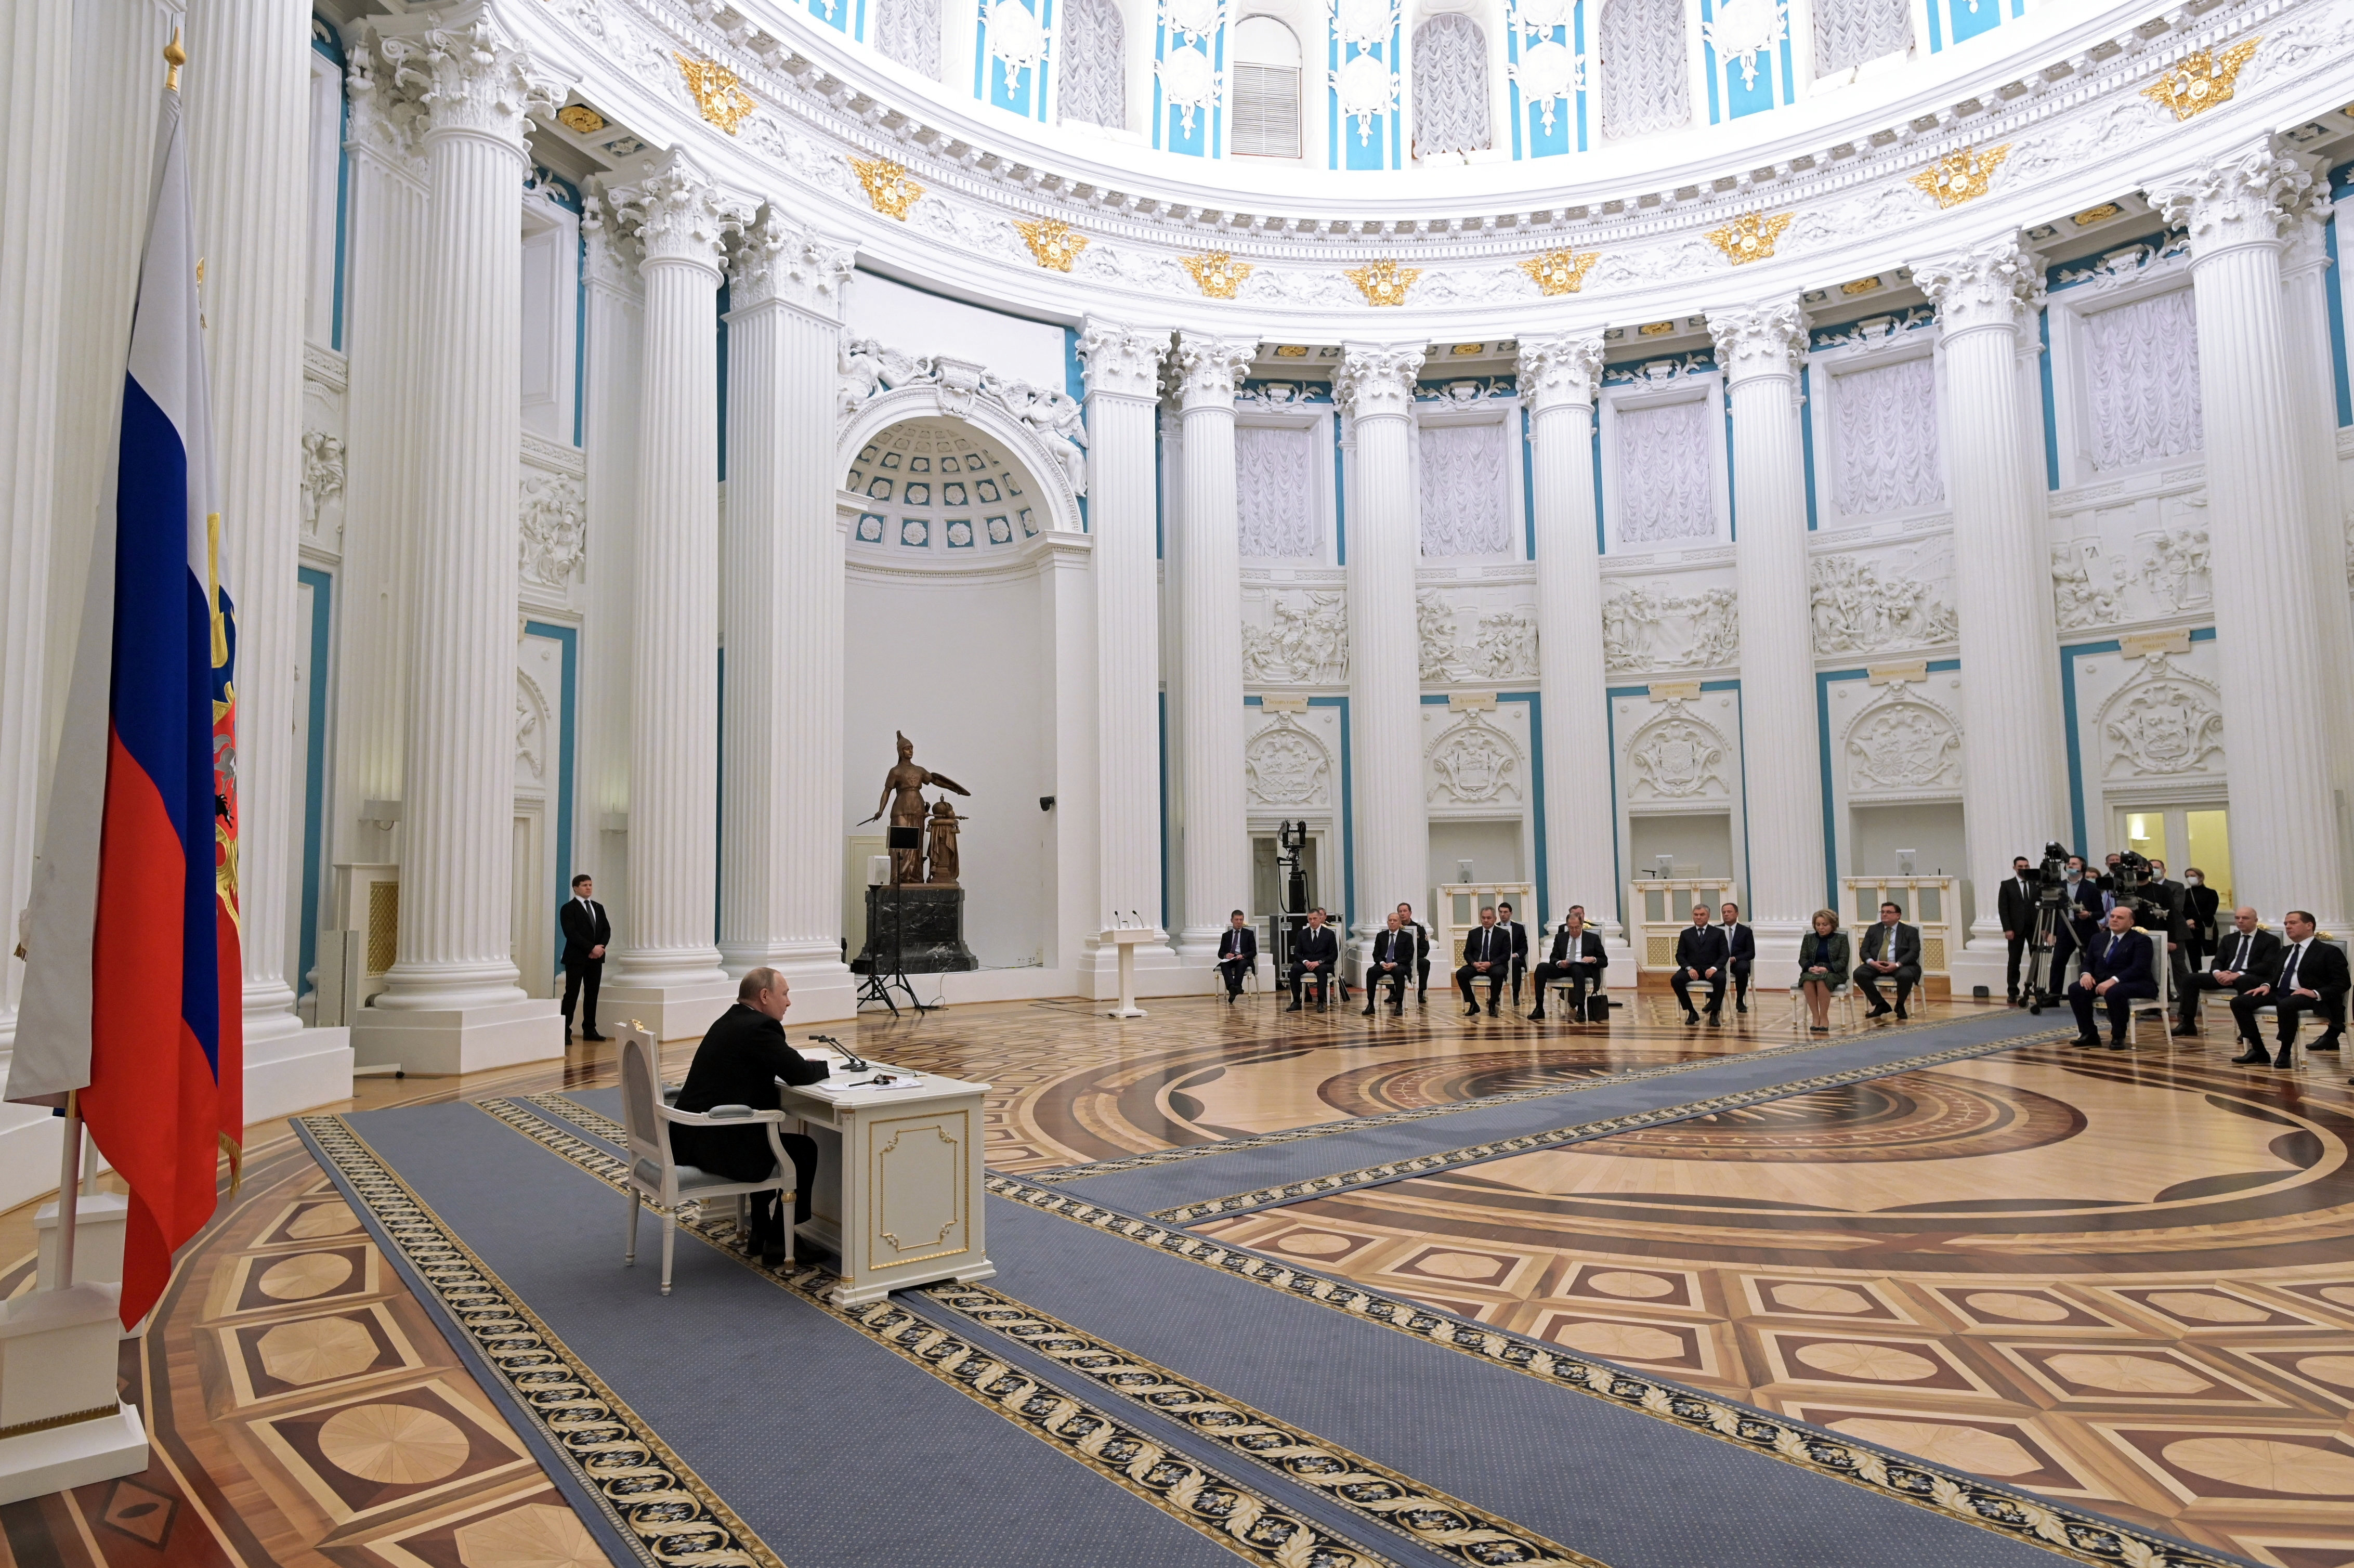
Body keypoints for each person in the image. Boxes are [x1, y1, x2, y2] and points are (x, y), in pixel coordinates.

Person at [669, 969, 829, 1265]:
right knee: (802, 1151)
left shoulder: (730, 1020)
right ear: (765, 996)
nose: (789, 1002)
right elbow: (799, 1073)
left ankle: (761, 1228)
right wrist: (824, 1066)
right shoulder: (761, 1027)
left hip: (690, 1136)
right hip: (716, 1143)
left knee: (765, 1136)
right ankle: (781, 1239)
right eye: (785, 994)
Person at [2239, 909, 2348, 1068]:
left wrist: (2314, 992)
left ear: (2309, 925)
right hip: (2282, 992)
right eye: (2286, 924)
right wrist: (2266, 985)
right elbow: (2274, 975)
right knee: (2240, 1002)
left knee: (2287, 1004)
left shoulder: (2329, 951)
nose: (2288, 927)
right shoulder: (2286, 950)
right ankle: (2258, 1050)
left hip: (2311, 997)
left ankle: (2285, 1052)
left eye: (2293, 923)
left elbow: (2343, 982)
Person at [2192, 906, 2280, 1052]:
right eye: (2237, 918)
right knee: (2191, 978)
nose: (2240, 921)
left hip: (2250, 976)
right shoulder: (2229, 939)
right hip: (2225, 975)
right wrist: (2217, 973)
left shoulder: (2270, 940)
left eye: (2245, 918)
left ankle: (2245, 1030)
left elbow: (2267, 966)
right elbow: (2218, 960)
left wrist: (2239, 973)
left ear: (2255, 921)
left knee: (2244, 981)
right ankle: (2188, 1023)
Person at [2068, 904, 2156, 1051]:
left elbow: (2139, 968)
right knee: (2077, 989)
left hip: (2135, 982)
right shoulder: (2098, 938)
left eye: (2120, 918)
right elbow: (2088, 961)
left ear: (2131, 923)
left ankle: (2118, 1036)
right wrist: (2086, 974)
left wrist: (2113, 980)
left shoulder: (2141, 941)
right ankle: (2089, 1034)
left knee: (2114, 992)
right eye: (2113, 916)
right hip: (2103, 980)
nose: (2114, 920)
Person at [1529, 907, 1606, 1021]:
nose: (1574, 930)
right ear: (1567, 926)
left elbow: (1604, 960)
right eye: (1571, 928)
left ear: (1582, 924)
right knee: (1541, 968)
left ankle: (1581, 1010)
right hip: (1564, 968)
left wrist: (1593, 959)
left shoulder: (1593, 938)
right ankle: (1539, 1008)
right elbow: (1553, 958)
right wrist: (1560, 963)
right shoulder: (1560, 938)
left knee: (1576, 968)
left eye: (1577, 927)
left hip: (1583, 968)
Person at [559, 874, 610, 1041]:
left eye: (590, 885)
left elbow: (606, 930)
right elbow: (571, 933)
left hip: (596, 959)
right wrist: (590, 948)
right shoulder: (569, 908)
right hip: (576, 958)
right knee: (572, 994)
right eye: (584, 885)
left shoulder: (598, 907)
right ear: (575, 888)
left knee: (592, 994)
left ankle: (590, 1030)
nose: (588, 888)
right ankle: (565, 1031)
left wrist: (600, 948)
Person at [1853, 901, 1923, 1019]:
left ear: (1898, 916)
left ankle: (1900, 1005)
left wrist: (1896, 965)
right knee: (1859, 973)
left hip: (1901, 965)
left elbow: (1914, 952)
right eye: (1883, 912)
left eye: (1889, 912)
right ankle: (1881, 1004)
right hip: (1877, 964)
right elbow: (1864, 950)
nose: (1884, 915)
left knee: (1905, 976)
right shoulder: (1873, 929)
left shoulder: (1910, 931)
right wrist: (1872, 962)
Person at [1670, 905, 1728, 1026]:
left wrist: (1714, 968)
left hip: (1712, 969)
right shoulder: (1686, 934)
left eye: (1702, 915)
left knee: (1721, 979)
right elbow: (1680, 955)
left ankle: (1714, 1013)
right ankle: (1692, 1012)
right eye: (1696, 915)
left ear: (1708, 916)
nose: (1698, 917)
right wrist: (1689, 968)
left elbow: (1724, 955)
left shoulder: (1719, 933)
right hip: (1692, 969)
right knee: (1676, 980)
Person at [1797, 910, 1849, 1033]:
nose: (1821, 928)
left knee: (1822, 979)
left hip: (1834, 972)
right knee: (1808, 979)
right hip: (1813, 971)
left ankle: (1824, 1017)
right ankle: (1816, 1017)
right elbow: (1802, 959)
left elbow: (1843, 961)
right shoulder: (1808, 938)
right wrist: (1810, 967)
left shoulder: (1841, 939)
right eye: (1818, 925)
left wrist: (1827, 968)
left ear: (1832, 925)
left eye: (1825, 925)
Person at [1457, 906, 1513, 1017]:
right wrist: (1474, 963)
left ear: (1495, 919)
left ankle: (1492, 1003)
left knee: (1498, 974)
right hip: (1477, 965)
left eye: (1489, 918)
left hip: (1495, 965)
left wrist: (1490, 964)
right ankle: (1473, 1004)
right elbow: (1467, 953)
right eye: (1483, 918)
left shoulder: (1503, 934)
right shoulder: (1474, 933)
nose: (1486, 920)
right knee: (1461, 974)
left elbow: (1506, 955)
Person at [1996, 855, 2036, 1006]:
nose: (2024, 869)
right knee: (2014, 961)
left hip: (2034, 928)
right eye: (2021, 867)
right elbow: (2003, 908)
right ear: (2015, 868)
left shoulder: (2036, 884)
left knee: (2037, 959)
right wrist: (2007, 929)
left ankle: (2037, 989)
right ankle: (2013, 992)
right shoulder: (2007, 885)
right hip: (2015, 929)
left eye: (2026, 866)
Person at [1362, 911, 1413, 1015]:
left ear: (1400, 923)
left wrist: (1394, 964)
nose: (1392, 923)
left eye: (1395, 921)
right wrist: (1381, 963)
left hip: (1399, 964)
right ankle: (1371, 1005)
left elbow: (1408, 956)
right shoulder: (1381, 936)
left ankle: (1399, 1004)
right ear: (1387, 922)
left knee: (1399, 972)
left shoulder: (1407, 937)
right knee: (1371, 972)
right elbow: (1376, 954)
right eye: (1390, 921)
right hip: (1383, 964)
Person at [1288, 907, 1339, 1011]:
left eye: (1315, 918)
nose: (1312, 921)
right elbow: (1297, 953)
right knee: (1294, 969)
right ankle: (1296, 1001)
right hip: (1307, 963)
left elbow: (1334, 955)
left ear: (1320, 918)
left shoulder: (1329, 934)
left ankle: (1320, 1002)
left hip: (1323, 963)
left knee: (1321, 970)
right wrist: (1306, 962)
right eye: (1310, 919)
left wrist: (1319, 962)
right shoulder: (1302, 934)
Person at [1718, 902, 1756, 1013]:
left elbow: (1751, 953)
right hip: (1720, 962)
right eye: (1724, 912)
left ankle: (1739, 1001)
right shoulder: (1716, 930)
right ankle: (1714, 1002)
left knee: (1743, 968)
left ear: (1737, 914)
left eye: (1729, 912)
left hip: (1737, 961)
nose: (1726, 914)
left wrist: (1734, 959)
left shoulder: (1746, 931)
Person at [1215, 909, 1257, 1002]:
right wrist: (1226, 955)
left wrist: (1243, 955)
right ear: (1232, 920)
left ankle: (1235, 988)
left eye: (1241, 920)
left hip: (1243, 959)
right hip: (1231, 959)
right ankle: (1233, 988)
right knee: (1224, 964)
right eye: (1237, 920)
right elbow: (1220, 953)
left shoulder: (1249, 934)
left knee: (1242, 964)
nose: (1239, 922)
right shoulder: (1226, 936)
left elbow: (1254, 952)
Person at [1496, 902, 1531, 1008]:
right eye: (1501, 912)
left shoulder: (1519, 928)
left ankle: (1515, 995)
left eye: (1505, 912)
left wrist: (1515, 954)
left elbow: (1524, 948)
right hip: (1499, 959)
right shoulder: (1495, 927)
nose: (1503, 914)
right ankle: (1495, 995)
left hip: (1514, 958)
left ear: (1511, 913)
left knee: (1515, 962)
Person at [1397, 903, 1431, 1004]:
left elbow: (1425, 948)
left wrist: (1413, 957)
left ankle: (1421, 992)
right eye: (1400, 911)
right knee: (1390, 963)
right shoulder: (1395, 929)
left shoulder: (1419, 929)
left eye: (1405, 911)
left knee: (1425, 963)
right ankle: (1393, 993)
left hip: (1416, 958)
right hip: (1399, 959)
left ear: (1410, 913)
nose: (1402, 914)